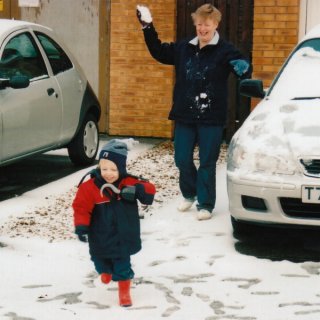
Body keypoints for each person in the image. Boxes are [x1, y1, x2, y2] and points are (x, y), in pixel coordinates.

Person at [136, 4, 251, 220]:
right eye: (199, 24)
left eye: (206, 24)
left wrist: (243, 67)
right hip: (185, 114)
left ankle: (205, 203)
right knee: (181, 158)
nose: (202, 28)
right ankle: (189, 193)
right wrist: (147, 28)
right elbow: (159, 52)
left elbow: (243, 66)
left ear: (215, 24)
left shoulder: (225, 51)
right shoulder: (184, 48)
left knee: (207, 161)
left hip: (211, 116)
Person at [72, 139, 156, 307]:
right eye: (104, 169)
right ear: (98, 167)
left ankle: (124, 293)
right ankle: (105, 271)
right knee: (99, 260)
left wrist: (136, 190)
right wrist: (81, 226)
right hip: (100, 235)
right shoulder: (90, 187)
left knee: (122, 265)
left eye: (113, 169)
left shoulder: (128, 182)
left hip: (123, 234)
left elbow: (149, 189)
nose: (108, 173)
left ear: (121, 168)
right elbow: (81, 207)